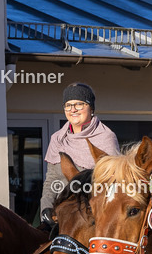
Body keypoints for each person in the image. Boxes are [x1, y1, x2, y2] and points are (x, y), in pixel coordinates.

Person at [39, 83, 120, 222]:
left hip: (92, 215)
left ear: (91, 108)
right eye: (68, 105)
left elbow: (113, 182)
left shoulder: (106, 138)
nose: (73, 109)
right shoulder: (57, 139)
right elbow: (51, 180)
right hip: (60, 213)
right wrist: (46, 208)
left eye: (79, 104)